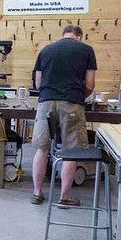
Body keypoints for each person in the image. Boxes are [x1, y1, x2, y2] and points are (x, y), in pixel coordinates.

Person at [30, 25, 96, 206]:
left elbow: (37, 84)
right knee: (70, 152)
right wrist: (78, 95)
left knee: (41, 149)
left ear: (63, 35)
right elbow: (90, 84)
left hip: (46, 103)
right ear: (79, 37)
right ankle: (64, 198)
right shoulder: (86, 50)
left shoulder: (46, 50)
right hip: (72, 104)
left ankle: (37, 193)